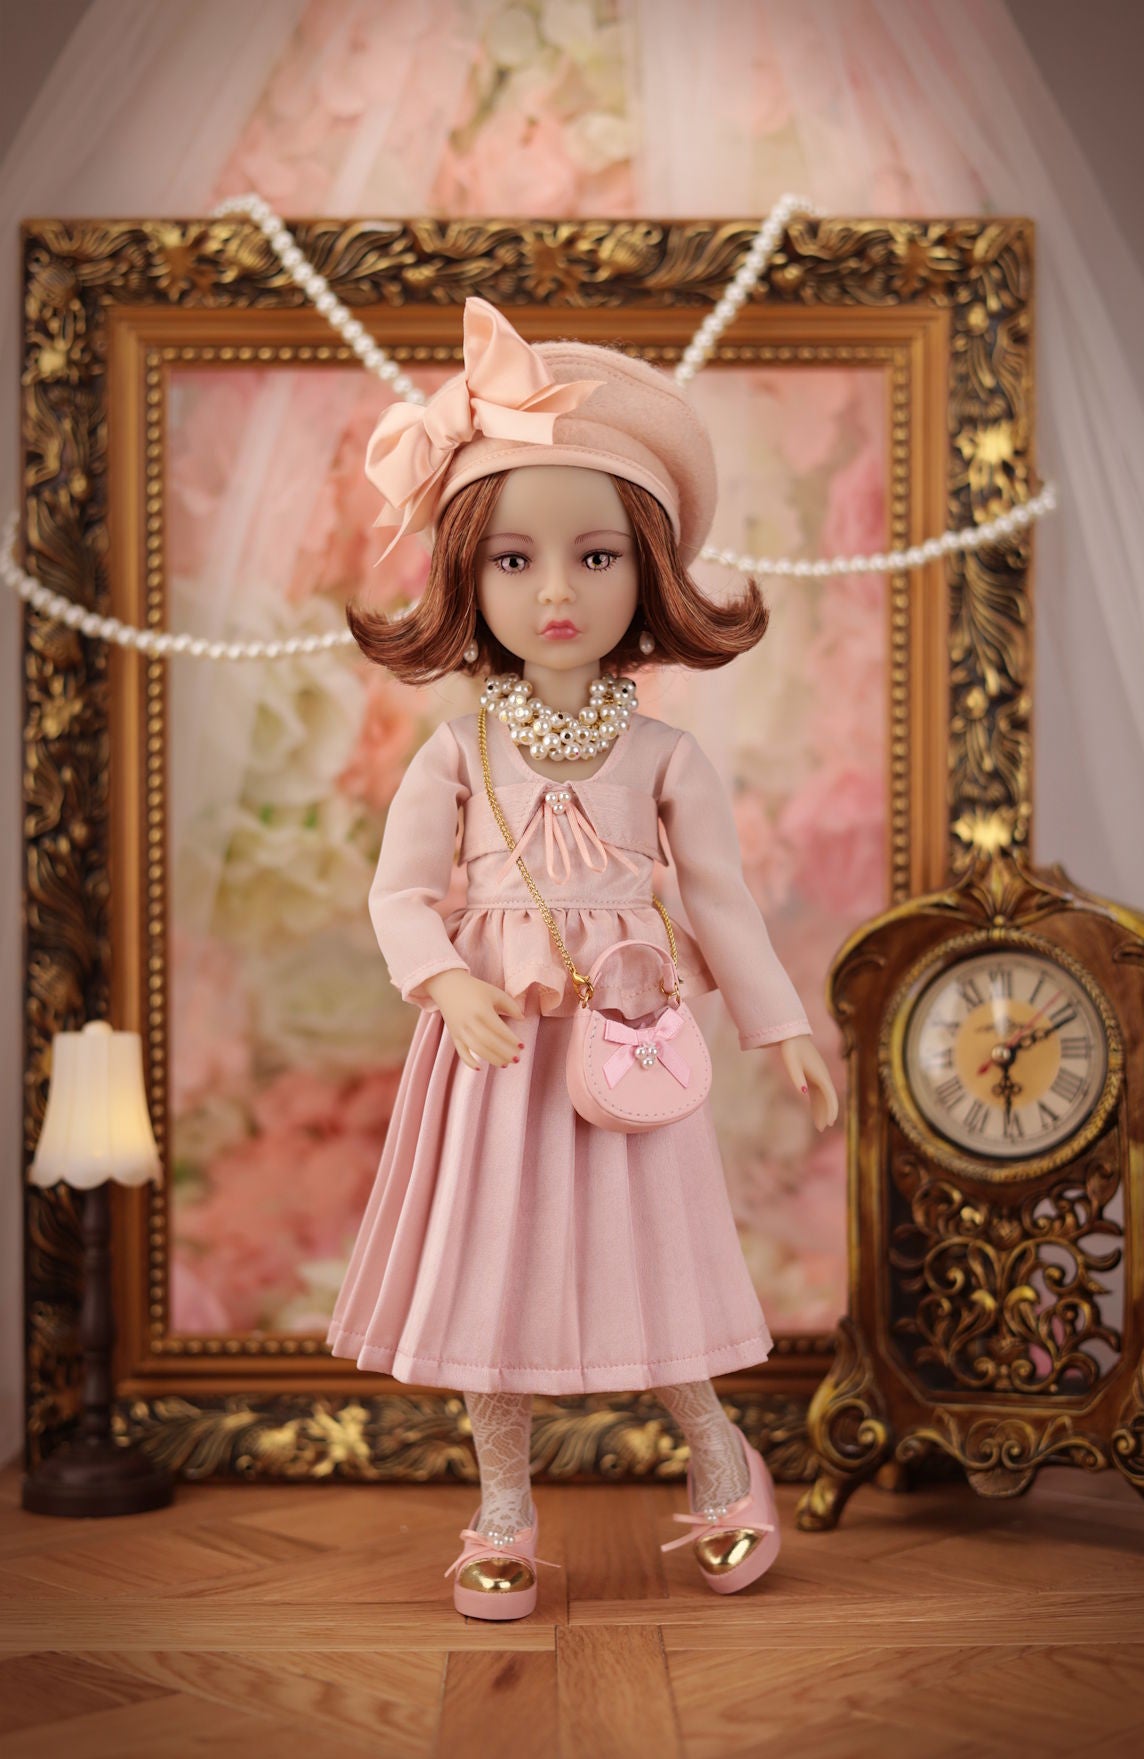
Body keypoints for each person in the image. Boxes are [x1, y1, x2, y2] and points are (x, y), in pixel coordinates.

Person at [327, 295, 838, 1621]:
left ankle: (721, 1462)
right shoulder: (456, 755)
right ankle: (501, 1506)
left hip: (625, 1039)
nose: (555, 593)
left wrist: (779, 1025)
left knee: (652, 1262)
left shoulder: (666, 757)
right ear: (464, 578)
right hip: (493, 1044)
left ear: (648, 572)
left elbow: (720, 905)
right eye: (512, 563)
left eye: (595, 557)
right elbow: (401, 894)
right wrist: (443, 981)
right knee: (494, 1276)